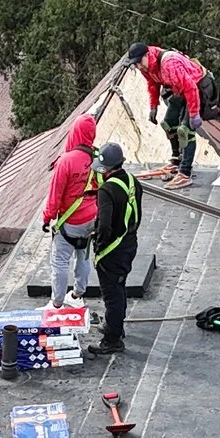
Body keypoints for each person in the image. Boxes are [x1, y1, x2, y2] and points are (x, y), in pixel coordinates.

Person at [127, 44, 213, 189]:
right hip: (179, 89)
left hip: (197, 88)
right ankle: (177, 159)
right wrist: (153, 106)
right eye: (135, 64)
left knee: (185, 130)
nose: (138, 67)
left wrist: (194, 114)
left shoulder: (169, 64)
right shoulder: (146, 66)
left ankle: (185, 173)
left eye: (139, 62)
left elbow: (191, 88)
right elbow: (152, 84)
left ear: (147, 55)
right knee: (168, 123)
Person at [39, 113, 101, 307]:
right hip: (93, 216)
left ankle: (56, 303)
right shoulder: (98, 157)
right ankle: (77, 295)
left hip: (71, 221)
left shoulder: (66, 161)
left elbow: (55, 196)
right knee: (83, 255)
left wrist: (47, 218)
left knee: (60, 261)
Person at [87, 144, 140, 357]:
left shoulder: (107, 190)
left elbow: (105, 224)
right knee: (120, 287)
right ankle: (115, 327)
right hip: (129, 243)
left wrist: (99, 245)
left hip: (112, 250)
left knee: (112, 295)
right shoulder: (132, 181)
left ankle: (112, 340)